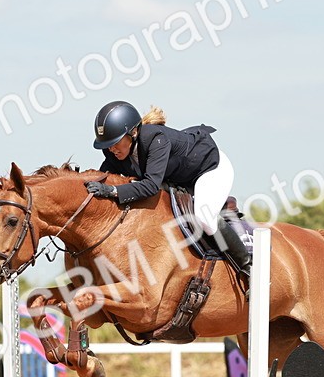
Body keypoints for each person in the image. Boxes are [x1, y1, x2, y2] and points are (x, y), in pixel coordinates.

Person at [85, 101, 251, 277]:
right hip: (179, 177)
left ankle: (248, 266)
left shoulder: (155, 139)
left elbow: (150, 186)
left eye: (115, 142)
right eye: (107, 145)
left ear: (133, 132)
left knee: (204, 218)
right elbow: (102, 176)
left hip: (209, 168)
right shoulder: (114, 152)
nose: (111, 149)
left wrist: (112, 191)